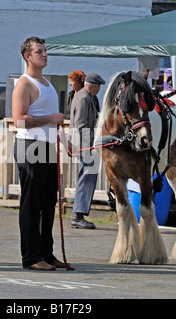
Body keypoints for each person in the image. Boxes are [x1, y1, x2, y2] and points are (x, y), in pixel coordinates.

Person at [12, 36, 65, 271]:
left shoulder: (47, 82)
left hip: (48, 147)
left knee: (48, 202)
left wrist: (65, 141)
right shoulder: (24, 84)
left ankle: (46, 252)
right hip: (30, 146)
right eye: (39, 52)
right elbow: (19, 120)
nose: (44, 55)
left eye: (45, 51)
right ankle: (31, 257)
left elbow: (54, 121)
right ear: (27, 56)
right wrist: (51, 119)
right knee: (31, 204)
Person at [68, 72, 105, 230]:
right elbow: (82, 125)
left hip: (82, 143)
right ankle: (78, 215)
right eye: (99, 88)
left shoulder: (81, 95)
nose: (99, 91)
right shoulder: (84, 98)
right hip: (85, 144)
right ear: (95, 86)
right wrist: (95, 142)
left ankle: (79, 214)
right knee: (86, 177)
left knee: (86, 176)